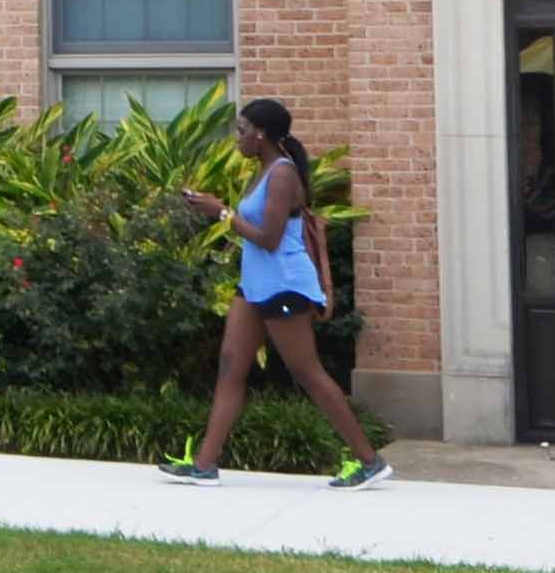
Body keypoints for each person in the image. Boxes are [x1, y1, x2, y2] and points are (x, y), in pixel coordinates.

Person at [159, 96, 389, 489]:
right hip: (255, 286)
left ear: (261, 134)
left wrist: (222, 213)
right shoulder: (263, 170)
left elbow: (268, 238)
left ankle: (370, 461)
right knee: (231, 368)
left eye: (242, 130)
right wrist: (215, 209)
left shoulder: (282, 174)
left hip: (284, 284)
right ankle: (204, 465)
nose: (238, 138)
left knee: (309, 374)